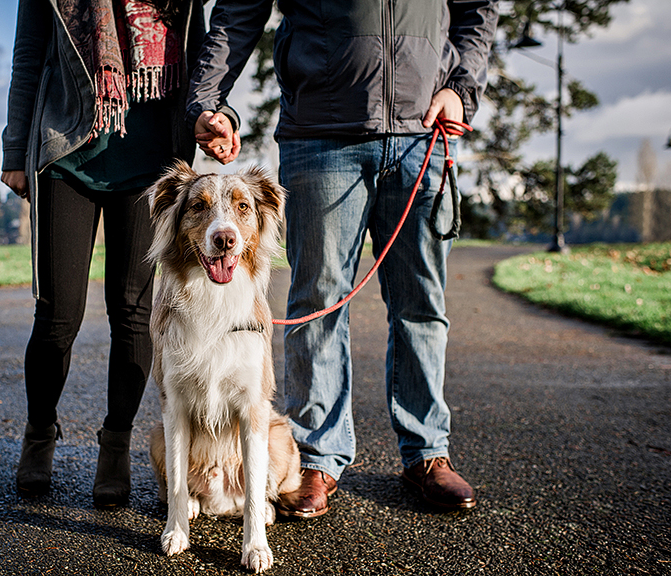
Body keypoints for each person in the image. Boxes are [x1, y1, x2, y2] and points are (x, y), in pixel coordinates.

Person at [187, 0, 499, 515]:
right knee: (319, 301)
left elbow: (476, 9)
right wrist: (207, 101)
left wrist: (461, 88)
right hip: (322, 133)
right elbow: (239, 11)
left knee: (421, 303)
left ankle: (428, 452)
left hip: (424, 130)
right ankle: (317, 458)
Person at [0, 0, 238, 505]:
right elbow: (28, 58)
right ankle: (39, 433)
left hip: (152, 164)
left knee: (133, 313)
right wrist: (14, 147)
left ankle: (116, 444)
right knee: (58, 315)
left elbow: (202, 56)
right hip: (67, 154)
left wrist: (213, 117)